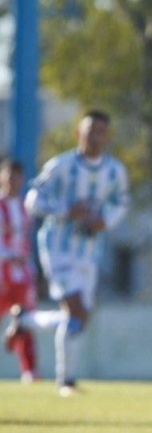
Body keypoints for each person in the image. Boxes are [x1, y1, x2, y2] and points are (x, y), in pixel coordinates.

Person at [11, 110, 130, 396]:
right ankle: (65, 381)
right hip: (58, 249)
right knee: (75, 311)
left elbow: (121, 202)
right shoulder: (61, 165)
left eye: (101, 131)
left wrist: (106, 220)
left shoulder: (114, 171)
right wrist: (65, 211)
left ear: (107, 136)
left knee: (78, 319)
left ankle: (26, 320)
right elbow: (32, 199)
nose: (95, 137)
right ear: (79, 132)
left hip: (89, 252)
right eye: (90, 131)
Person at [1, 159, 38, 382]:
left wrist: (31, 268)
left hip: (22, 274)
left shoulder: (26, 207)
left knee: (26, 320)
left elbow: (25, 242)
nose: (13, 181)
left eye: (17, 177)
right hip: (2, 271)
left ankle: (29, 372)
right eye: (8, 176)